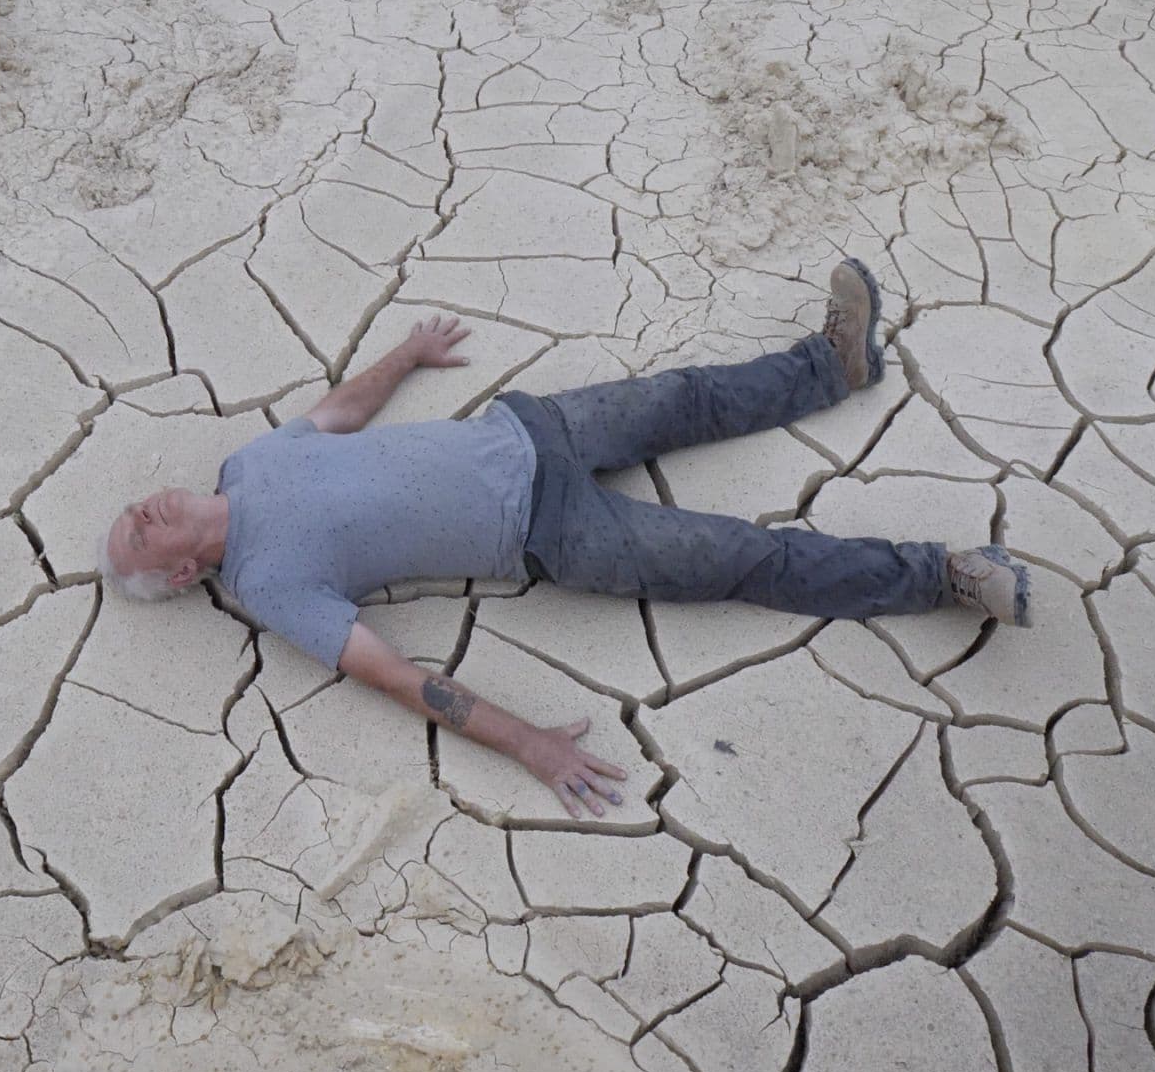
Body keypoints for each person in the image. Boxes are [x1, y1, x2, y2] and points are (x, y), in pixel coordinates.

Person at [99, 260, 1031, 817]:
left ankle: (831, 365)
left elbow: (338, 412)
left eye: (132, 511)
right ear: (182, 573)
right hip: (552, 533)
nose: (139, 511)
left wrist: (408, 353)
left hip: (531, 430)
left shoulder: (245, 465)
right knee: (745, 557)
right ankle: (945, 578)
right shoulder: (270, 587)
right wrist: (529, 746)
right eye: (138, 537)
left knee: (688, 395)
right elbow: (394, 675)